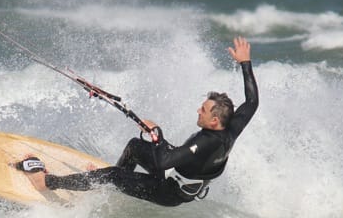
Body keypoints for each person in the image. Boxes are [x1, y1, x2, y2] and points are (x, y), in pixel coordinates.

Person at [17, 36, 258, 207]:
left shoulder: (207, 141)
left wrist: (157, 134)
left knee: (111, 175)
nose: (198, 111)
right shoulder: (231, 127)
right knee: (134, 146)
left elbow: (163, 161)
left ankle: (46, 182)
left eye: (203, 110)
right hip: (178, 176)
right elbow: (252, 102)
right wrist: (245, 63)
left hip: (169, 192)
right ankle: (115, 179)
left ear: (214, 120)